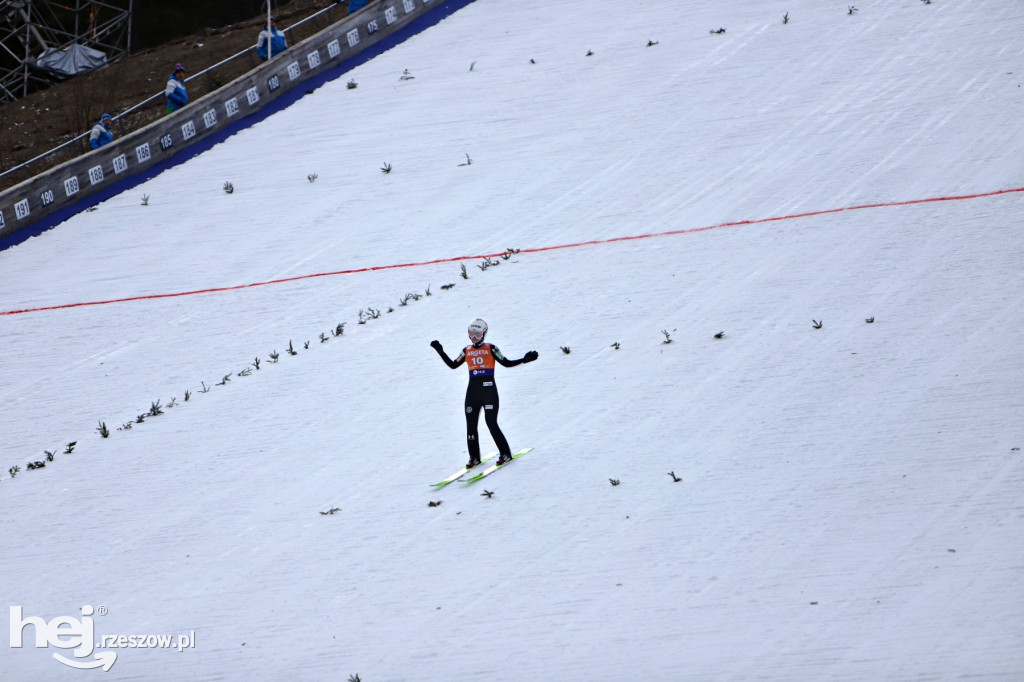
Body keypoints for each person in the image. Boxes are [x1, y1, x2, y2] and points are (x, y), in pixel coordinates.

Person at [431, 319, 538, 468]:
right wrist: (441, 352)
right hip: (472, 393)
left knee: (491, 423)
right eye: (471, 334)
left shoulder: (491, 348)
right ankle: (474, 457)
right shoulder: (466, 350)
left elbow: (506, 363)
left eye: (478, 334)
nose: (474, 337)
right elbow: (453, 365)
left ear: (484, 334)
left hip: (489, 392)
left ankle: (505, 453)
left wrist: (524, 360)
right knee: (471, 426)